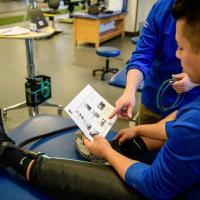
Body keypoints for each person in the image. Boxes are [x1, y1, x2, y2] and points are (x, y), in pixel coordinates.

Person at [1, 0, 200, 199]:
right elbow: (178, 123)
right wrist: (137, 127)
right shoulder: (191, 115)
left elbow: (154, 185)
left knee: (85, 179)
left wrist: (106, 152)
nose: (176, 54)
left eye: (181, 47)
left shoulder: (193, 120)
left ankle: (8, 154)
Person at [110, 0, 200, 125]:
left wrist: (195, 81)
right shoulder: (161, 9)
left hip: (190, 107)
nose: (177, 54)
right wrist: (129, 91)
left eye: (182, 48)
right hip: (153, 99)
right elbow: (142, 55)